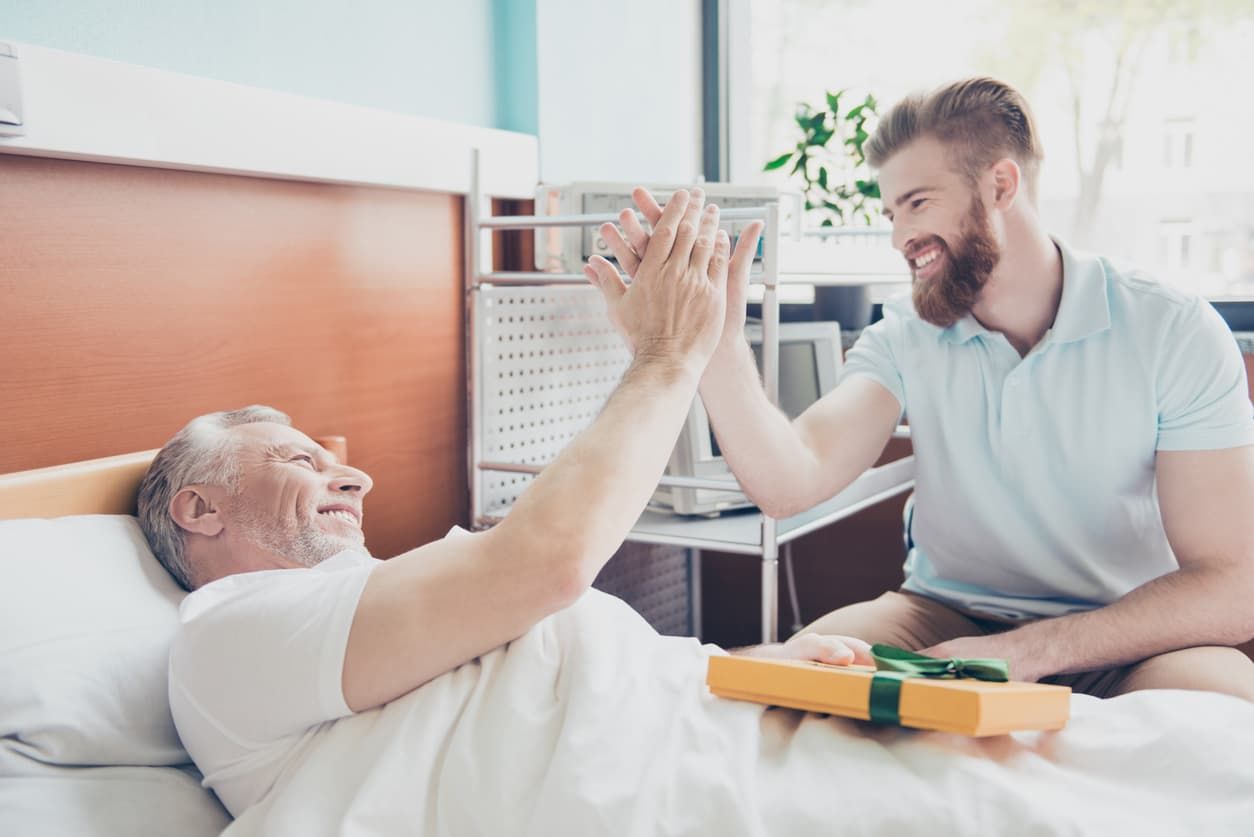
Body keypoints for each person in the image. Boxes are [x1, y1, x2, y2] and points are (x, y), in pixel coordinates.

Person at [135, 191, 872, 820]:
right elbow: (544, 567)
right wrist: (670, 352)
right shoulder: (224, 638)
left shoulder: (384, 607)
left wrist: (748, 669)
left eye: (340, 463)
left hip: (709, 740)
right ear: (200, 509)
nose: (356, 480)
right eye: (301, 459)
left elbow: (559, 680)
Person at [592, 77, 1254, 701]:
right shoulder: (907, 330)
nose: (900, 237)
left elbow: (1233, 584)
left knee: (1221, 705)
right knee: (799, 677)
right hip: (941, 623)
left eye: (917, 203)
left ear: (1000, 184)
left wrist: (1031, 651)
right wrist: (715, 343)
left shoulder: (1171, 328)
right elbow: (791, 480)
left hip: (1127, 635)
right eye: (890, 211)